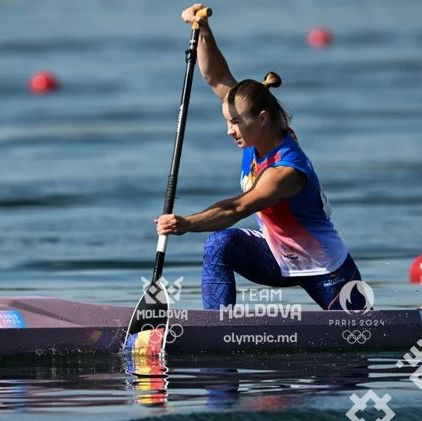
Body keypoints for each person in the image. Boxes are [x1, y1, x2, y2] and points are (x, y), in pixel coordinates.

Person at [156, 3, 364, 311]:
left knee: (363, 331)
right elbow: (216, 77)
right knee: (220, 244)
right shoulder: (256, 132)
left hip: (323, 266)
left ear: (263, 119)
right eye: (228, 121)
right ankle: (218, 326)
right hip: (274, 254)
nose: (230, 131)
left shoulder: (286, 171)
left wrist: (187, 223)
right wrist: (202, 30)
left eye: (236, 123)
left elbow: (237, 208)